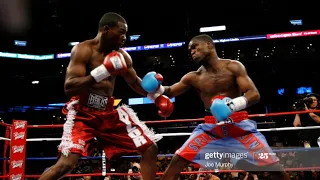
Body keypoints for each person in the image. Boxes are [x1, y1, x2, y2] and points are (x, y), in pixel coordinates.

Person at [38, 12, 174, 180]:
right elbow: (70, 87)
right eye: (122, 32)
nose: (125, 37)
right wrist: (102, 72)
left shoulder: (122, 56)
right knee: (66, 164)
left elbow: (135, 83)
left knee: (149, 147)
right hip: (83, 113)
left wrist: (157, 97)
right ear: (106, 29)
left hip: (108, 114)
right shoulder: (83, 50)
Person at [141, 34, 290, 180]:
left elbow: (254, 94)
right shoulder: (193, 76)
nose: (192, 52)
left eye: (195, 47)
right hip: (210, 129)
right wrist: (156, 87)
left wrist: (231, 106)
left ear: (209, 45)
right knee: (178, 160)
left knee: (275, 169)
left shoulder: (233, 67)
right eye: (190, 50)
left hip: (240, 128)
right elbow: (171, 91)